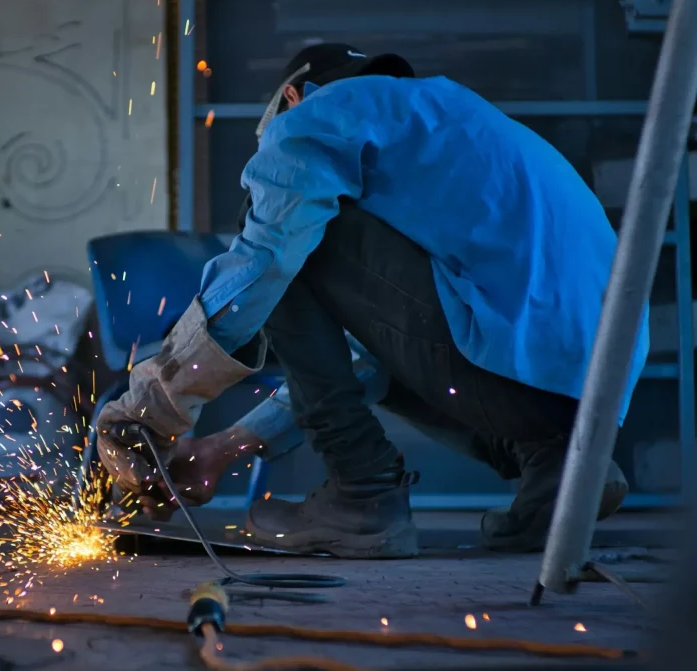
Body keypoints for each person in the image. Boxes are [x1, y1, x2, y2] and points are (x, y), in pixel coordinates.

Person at [96, 43, 649, 558]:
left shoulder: (319, 114)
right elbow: (380, 357)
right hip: (591, 406)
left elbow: (266, 261)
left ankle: (363, 495)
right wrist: (226, 446)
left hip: (517, 381)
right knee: (306, 238)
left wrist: (152, 405)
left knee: (284, 234)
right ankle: (567, 470)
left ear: (291, 97)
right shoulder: (453, 126)